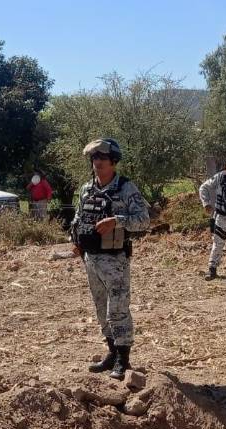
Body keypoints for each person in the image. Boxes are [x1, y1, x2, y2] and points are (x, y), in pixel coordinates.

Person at [69, 138, 150, 380]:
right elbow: (78, 217)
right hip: (91, 259)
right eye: (94, 158)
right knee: (101, 309)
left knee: (118, 309)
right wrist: (76, 241)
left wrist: (117, 221)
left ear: (113, 161)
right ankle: (111, 353)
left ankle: (123, 360)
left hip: (115, 260)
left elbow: (144, 220)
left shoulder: (126, 188)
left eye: (102, 158)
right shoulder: (86, 189)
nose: (97, 163)